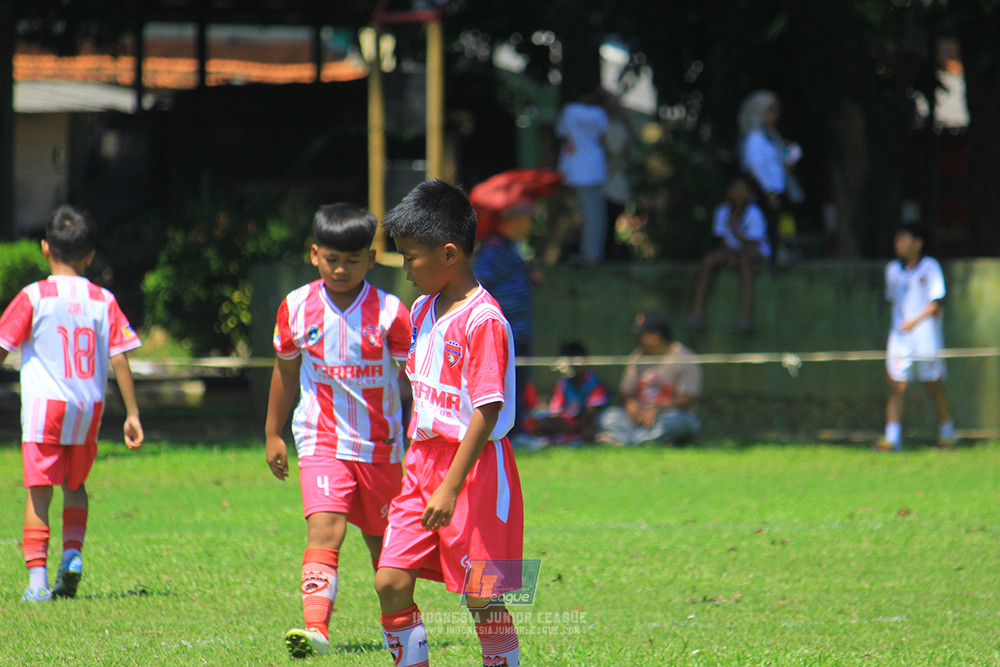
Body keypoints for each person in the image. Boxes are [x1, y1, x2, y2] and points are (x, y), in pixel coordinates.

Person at [376, 179, 525, 667]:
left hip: (475, 468)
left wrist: (451, 486)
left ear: (449, 252)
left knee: (483, 596)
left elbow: (487, 409)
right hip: (422, 464)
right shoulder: (421, 310)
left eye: (411, 256)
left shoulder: (484, 320)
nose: (406, 268)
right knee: (391, 580)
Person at [264, 203, 412, 658]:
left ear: (371, 258)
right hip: (320, 440)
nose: (341, 268)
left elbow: (412, 385)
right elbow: (285, 372)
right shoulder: (295, 307)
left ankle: (402, 628)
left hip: (381, 448)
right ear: (314, 255)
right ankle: (316, 630)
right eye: (332, 259)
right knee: (325, 531)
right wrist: (273, 433)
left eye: (352, 259)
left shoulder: (391, 312)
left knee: (385, 549)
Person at [0, 205, 144, 603]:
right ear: (90, 255)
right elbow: (119, 357)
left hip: (46, 408)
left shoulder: (33, 296)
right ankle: (73, 554)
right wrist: (131, 413)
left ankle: (37, 584)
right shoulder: (103, 299)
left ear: (45, 249)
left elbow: (2, 345)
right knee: (76, 485)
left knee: (39, 492)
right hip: (88, 408)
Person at [874, 223, 954, 452]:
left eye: (904, 239)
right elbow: (893, 300)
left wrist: (914, 322)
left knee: (933, 386)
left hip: (926, 339)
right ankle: (892, 438)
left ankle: (948, 433)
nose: (899, 244)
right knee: (896, 385)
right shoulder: (892, 270)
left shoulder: (930, 267)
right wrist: (903, 326)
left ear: (917, 243)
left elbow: (937, 301)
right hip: (900, 339)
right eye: (897, 240)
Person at [473, 200, 542, 435]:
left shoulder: (515, 247)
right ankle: (508, 433)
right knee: (505, 387)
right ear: (515, 219)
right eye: (528, 218)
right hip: (504, 333)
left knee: (519, 385)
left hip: (520, 331)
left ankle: (517, 430)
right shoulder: (494, 248)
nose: (531, 225)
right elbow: (480, 282)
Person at [597, 312, 702, 446]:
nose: (637, 339)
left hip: (670, 416)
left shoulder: (685, 358)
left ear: (655, 336)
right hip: (639, 419)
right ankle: (646, 441)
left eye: (641, 335)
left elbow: (688, 399)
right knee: (608, 416)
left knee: (675, 423)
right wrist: (631, 404)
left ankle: (625, 440)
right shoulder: (638, 356)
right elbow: (626, 391)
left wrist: (658, 408)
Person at [683, 175, 772, 333]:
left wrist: (734, 228)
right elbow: (722, 240)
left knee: (744, 263)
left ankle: (745, 317)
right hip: (731, 252)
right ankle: (697, 313)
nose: (737, 193)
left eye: (741, 190)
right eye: (734, 189)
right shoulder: (722, 211)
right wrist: (730, 255)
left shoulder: (754, 213)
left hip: (754, 252)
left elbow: (752, 244)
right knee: (709, 259)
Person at [737, 90, 803, 262]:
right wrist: (770, 193)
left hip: (776, 191)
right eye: (770, 111)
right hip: (764, 193)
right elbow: (756, 168)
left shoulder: (771, 137)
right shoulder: (755, 137)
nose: (775, 115)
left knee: (782, 229)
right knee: (767, 230)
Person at [555, 83, 609, 264]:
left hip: (575, 171)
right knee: (594, 216)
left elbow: (561, 133)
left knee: (583, 215)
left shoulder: (570, 110)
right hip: (595, 169)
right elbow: (604, 138)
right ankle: (591, 254)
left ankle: (586, 255)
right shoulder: (600, 114)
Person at [521, 341, 610, 447]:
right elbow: (556, 409)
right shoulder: (564, 382)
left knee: (589, 429)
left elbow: (590, 416)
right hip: (566, 421)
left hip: (584, 424)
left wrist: (572, 429)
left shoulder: (595, 385)